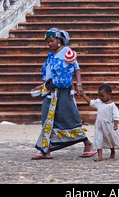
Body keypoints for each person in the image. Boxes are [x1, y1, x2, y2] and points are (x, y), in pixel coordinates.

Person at [31, 27, 96, 160]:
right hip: (49, 91)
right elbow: (49, 75)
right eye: (48, 42)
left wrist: (79, 84)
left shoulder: (67, 51)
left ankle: (87, 143)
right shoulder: (52, 55)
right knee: (46, 119)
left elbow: (76, 68)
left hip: (63, 92)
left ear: (59, 39)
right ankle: (46, 150)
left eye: (52, 41)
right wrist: (41, 85)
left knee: (69, 118)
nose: (50, 44)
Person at [81, 84, 119, 161]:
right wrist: (84, 95)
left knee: (110, 140)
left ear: (109, 94)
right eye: (99, 96)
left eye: (102, 96)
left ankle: (112, 152)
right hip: (99, 126)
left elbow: (116, 115)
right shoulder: (99, 102)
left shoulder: (112, 106)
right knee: (98, 140)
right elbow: (90, 102)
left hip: (108, 127)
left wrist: (115, 124)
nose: (100, 98)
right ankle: (100, 156)